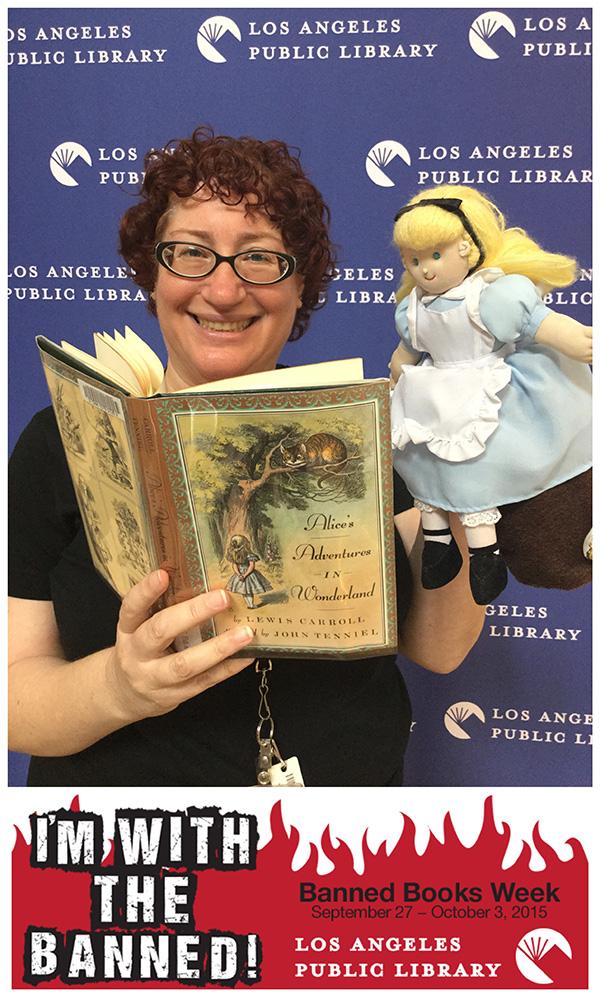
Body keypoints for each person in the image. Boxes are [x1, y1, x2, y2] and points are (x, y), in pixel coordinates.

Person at [9, 128, 484, 787]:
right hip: (133, 838)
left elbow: (439, 645)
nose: (224, 290)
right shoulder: (60, 438)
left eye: (259, 258)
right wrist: (119, 687)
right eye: (191, 253)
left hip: (334, 835)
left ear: (301, 286)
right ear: (153, 274)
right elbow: (14, 698)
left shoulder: (364, 425)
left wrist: (468, 482)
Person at [389, 186, 592, 605]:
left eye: (436, 254)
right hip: (434, 395)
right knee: (428, 471)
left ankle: (486, 556)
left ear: (469, 247)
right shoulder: (413, 308)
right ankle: (439, 546)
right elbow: (405, 353)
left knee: (477, 471)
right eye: (414, 259)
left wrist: (575, 340)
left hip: (483, 387)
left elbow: (543, 325)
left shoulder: (491, 296)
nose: (425, 270)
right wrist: (395, 379)